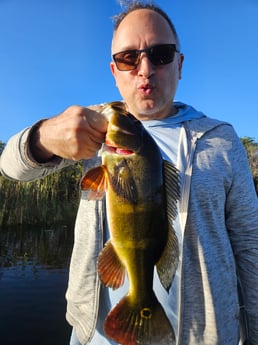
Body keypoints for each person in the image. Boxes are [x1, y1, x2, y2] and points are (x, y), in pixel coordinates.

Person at [0, 2, 258, 345]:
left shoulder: (220, 139)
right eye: (128, 58)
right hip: (99, 336)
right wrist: (44, 136)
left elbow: (249, 244)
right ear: (114, 71)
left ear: (180, 64)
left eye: (161, 54)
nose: (145, 68)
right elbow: (10, 168)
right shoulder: (93, 128)